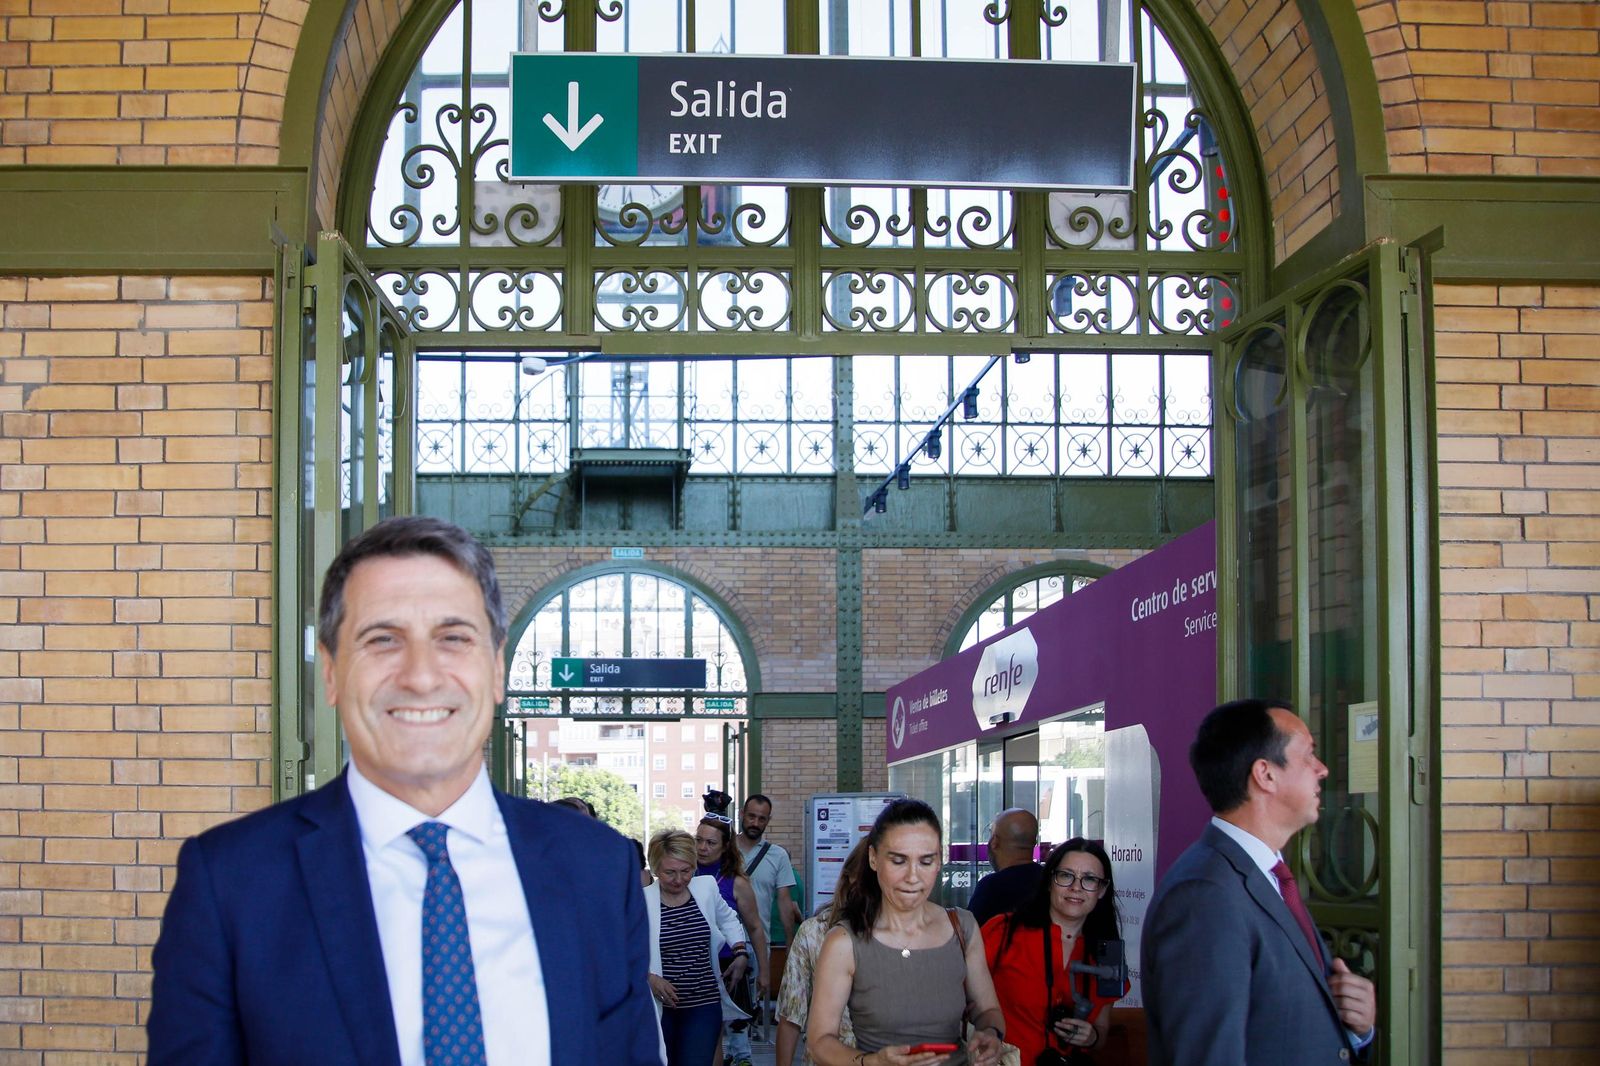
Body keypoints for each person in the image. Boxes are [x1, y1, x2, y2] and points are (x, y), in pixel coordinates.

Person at [146, 516, 659, 1066]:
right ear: (332, 672)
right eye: (383, 639)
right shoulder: (229, 883)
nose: (420, 676)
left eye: (453, 638)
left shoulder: (596, 868)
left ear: (495, 669)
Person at [1142, 699, 1378, 1066]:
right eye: (1308, 756)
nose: (1323, 769)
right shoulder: (1205, 896)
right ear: (1265, 774)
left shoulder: (1268, 877)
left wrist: (1355, 1029)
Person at [808, 798, 1008, 1066]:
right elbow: (820, 1041)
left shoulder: (963, 927)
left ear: (939, 862)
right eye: (899, 861)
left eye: (926, 862)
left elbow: (988, 1010)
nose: (912, 877)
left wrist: (990, 1035)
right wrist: (874, 1062)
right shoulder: (844, 941)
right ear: (873, 859)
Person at [983, 839, 1128, 1065]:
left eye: (1089, 879)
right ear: (1050, 881)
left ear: (1102, 890)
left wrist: (1091, 1037)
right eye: (1066, 875)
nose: (1076, 887)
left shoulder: (1107, 954)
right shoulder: (1003, 932)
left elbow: (1101, 1031)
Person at [646, 828, 752, 1066]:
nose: (679, 879)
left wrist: (740, 950)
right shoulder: (642, 901)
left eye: (686, 871)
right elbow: (625, 952)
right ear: (655, 869)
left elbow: (728, 918)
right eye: (669, 872)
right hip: (660, 1007)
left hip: (704, 1003)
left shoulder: (705, 887)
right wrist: (650, 978)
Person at [775, 839, 866, 1066]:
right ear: (850, 878)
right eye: (867, 877)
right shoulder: (814, 933)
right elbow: (791, 1013)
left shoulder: (905, 935)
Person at [696, 813, 770, 1066]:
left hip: (728, 966)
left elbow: (755, 928)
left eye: (711, 843)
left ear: (726, 845)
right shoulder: (684, 873)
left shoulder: (736, 882)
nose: (702, 848)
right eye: (699, 840)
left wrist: (764, 972)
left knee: (715, 1032)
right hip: (689, 964)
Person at [739, 793, 804, 952]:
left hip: (759, 943)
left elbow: (785, 903)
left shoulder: (778, 856)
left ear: (768, 820)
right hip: (725, 942)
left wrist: (789, 946)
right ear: (742, 814)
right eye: (751, 816)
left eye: (762, 819)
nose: (755, 823)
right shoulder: (724, 851)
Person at [967, 808, 1043, 928]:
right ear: (1034, 841)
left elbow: (970, 936)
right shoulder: (1051, 881)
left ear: (994, 841)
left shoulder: (990, 887)